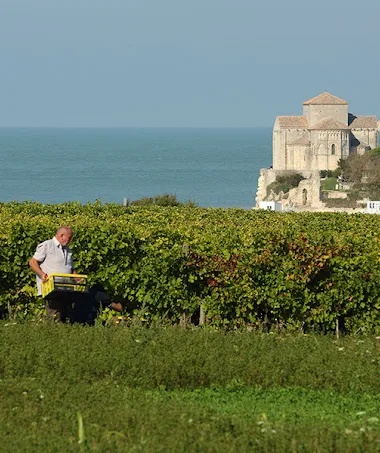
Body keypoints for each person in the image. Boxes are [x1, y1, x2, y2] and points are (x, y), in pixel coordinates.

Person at [29, 226, 76, 322]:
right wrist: (42, 274)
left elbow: (71, 267)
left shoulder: (67, 249)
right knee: (54, 314)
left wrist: (76, 277)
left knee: (66, 315)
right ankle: (52, 333)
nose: (70, 240)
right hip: (52, 287)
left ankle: (64, 333)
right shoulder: (47, 245)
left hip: (66, 287)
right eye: (69, 237)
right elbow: (33, 262)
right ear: (61, 235)